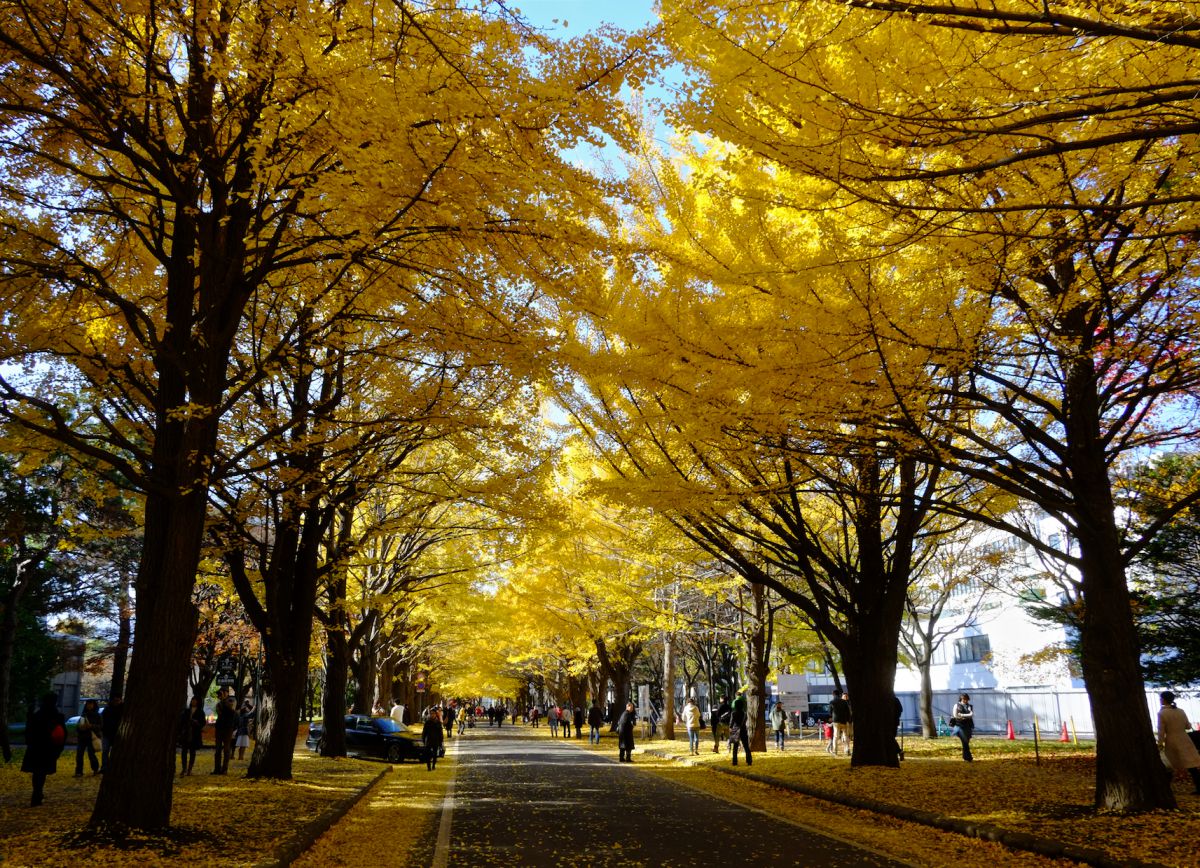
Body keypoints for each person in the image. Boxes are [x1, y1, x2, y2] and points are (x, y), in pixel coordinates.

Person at [22, 693, 66, 807]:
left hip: (35, 747)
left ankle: (37, 793)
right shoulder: (56, 715)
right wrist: (59, 749)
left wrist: (29, 742)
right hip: (49, 748)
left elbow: (29, 730)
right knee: (42, 772)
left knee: (37, 772)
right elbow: (62, 734)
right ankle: (38, 794)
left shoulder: (37, 715)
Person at [1157, 691, 1200, 794]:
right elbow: (1188, 726)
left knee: (1170, 765)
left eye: (1160, 698)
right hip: (1185, 739)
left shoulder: (1162, 713)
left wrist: (1160, 743)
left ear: (1163, 699)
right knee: (1192, 766)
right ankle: (1199, 787)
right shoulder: (1181, 711)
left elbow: (1161, 730)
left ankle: (1166, 789)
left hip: (1172, 740)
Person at [74, 698, 102, 776]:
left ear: (94, 705)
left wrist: (91, 726)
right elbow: (78, 726)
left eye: (91, 704)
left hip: (91, 738)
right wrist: (80, 727)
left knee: (91, 755)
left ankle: (95, 769)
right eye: (88, 704)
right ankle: (79, 772)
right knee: (79, 755)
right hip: (82, 737)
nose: (89, 706)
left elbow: (100, 727)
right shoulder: (83, 715)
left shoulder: (97, 715)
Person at [179, 696, 205, 776]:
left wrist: (196, 723)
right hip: (186, 733)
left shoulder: (200, 712)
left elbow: (203, 723)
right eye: (192, 700)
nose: (193, 701)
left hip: (195, 733)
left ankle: (189, 769)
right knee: (184, 751)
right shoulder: (186, 711)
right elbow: (182, 721)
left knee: (192, 752)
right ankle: (184, 768)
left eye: (195, 700)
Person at [212, 694, 238, 774]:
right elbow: (219, 713)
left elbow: (233, 715)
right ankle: (217, 769)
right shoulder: (220, 705)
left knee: (226, 750)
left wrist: (226, 705)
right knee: (218, 750)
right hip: (220, 728)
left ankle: (224, 769)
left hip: (228, 729)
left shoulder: (231, 703)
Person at [100, 696, 123, 773]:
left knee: (112, 751)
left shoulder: (122, 709)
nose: (116, 702)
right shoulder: (107, 709)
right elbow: (102, 720)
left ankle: (111, 766)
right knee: (105, 751)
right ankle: (104, 767)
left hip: (117, 733)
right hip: (107, 733)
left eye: (118, 700)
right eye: (115, 700)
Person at [950, 693, 974, 762]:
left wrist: (962, 715)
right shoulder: (956, 705)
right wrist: (965, 715)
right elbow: (955, 715)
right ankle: (968, 758)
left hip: (968, 726)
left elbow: (971, 715)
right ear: (961, 698)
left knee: (966, 742)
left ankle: (965, 757)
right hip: (959, 726)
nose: (966, 701)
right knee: (965, 741)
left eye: (967, 699)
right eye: (964, 699)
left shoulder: (969, 706)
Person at [728, 695, 752, 766]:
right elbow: (745, 721)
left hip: (736, 731)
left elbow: (731, 723)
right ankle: (749, 761)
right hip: (743, 730)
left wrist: (730, 728)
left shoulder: (733, 713)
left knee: (735, 747)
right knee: (746, 746)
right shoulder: (744, 713)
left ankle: (734, 761)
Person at [830, 692, 853, 757]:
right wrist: (848, 720)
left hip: (836, 721)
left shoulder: (832, 702)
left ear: (833, 695)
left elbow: (830, 712)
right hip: (844, 721)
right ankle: (847, 750)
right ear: (840, 695)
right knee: (846, 736)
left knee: (835, 737)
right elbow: (848, 712)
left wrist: (832, 717)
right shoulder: (844, 702)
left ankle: (835, 751)